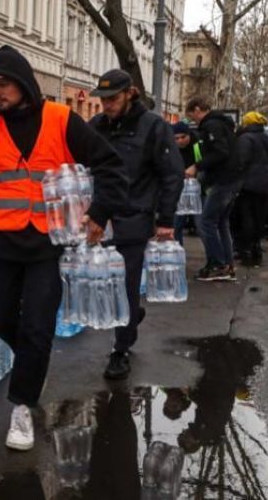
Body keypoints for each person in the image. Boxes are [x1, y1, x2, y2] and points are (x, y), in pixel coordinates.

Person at [0, 45, 127, 451]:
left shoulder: (62, 120)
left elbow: (110, 165)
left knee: (38, 326)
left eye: (4, 85)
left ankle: (22, 407)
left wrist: (99, 212)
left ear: (23, 83)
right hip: (1, 240)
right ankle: (32, 359)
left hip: (47, 243)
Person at [89, 70, 184, 380]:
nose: (106, 105)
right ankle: (131, 317)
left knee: (125, 286)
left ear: (130, 94)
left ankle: (121, 349)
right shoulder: (97, 127)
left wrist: (166, 220)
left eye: (113, 99)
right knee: (100, 283)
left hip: (134, 216)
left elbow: (172, 174)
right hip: (99, 219)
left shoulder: (153, 127)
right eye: (102, 100)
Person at [184, 97, 241, 282]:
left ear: (198, 109)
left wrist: (197, 166)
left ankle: (217, 264)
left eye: (193, 117)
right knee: (221, 223)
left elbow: (220, 152)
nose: (194, 121)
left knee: (207, 222)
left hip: (223, 180)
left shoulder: (212, 126)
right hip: (232, 179)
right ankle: (227, 263)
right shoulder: (222, 123)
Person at [232, 111, 268, 268]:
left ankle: (247, 251)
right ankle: (256, 249)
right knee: (258, 217)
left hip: (247, 184)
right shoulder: (265, 138)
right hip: (264, 184)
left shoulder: (245, 138)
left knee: (246, 217)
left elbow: (241, 161)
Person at [173, 121, 202, 245]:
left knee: (202, 225)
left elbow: (203, 161)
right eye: (176, 138)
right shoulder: (171, 147)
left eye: (183, 137)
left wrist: (195, 167)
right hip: (180, 188)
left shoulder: (197, 145)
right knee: (176, 225)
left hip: (198, 187)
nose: (180, 140)